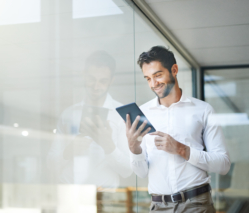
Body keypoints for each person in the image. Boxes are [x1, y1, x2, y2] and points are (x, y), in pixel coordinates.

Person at [126, 46, 231, 212]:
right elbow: (142, 173)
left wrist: (181, 149)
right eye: (148, 78)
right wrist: (134, 148)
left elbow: (223, 165)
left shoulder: (203, 110)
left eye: (158, 75)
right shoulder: (143, 114)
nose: (153, 84)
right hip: (159, 207)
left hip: (196, 205)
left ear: (174, 70)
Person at [48, 51, 132, 188]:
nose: (96, 86)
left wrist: (108, 146)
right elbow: (51, 164)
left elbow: (128, 171)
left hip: (103, 198)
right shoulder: (68, 114)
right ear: (83, 75)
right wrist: (69, 151)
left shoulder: (123, 115)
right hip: (68, 194)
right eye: (91, 79)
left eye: (103, 81)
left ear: (112, 81)